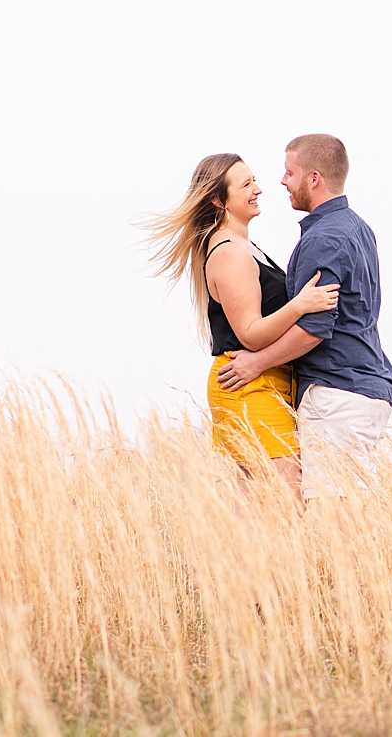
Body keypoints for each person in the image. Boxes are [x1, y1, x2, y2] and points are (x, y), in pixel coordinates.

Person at [139, 152, 340, 497]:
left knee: (258, 502)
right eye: (246, 184)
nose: (258, 189)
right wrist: (300, 305)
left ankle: (232, 554)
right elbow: (250, 332)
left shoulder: (245, 246)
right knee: (284, 502)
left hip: (262, 381)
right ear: (219, 199)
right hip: (248, 385)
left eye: (255, 180)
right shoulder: (230, 252)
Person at [216, 134, 392, 499]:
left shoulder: (324, 239)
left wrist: (257, 363)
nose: (282, 182)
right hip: (365, 386)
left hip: (338, 391)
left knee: (337, 522)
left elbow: (315, 328)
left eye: (289, 172)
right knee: (341, 515)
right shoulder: (357, 228)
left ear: (313, 178)